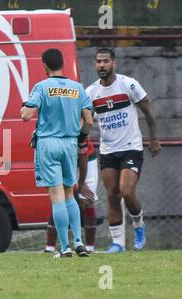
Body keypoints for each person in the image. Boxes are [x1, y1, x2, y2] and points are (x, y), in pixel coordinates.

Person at [86, 47, 161, 253]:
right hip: (108, 150)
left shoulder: (128, 84)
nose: (101, 65)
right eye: (98, 61)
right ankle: (117, 243)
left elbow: (148, 108)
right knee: (112, 194)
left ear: (114, 63)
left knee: (127, 192)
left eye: (105, 61)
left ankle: (138, 225)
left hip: (131, 148)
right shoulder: (91, 92)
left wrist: (154, 138)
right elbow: (85, 119)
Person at [21, 48, 93, 258]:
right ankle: (79, 241)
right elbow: (89, 121)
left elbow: (26, 115)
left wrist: (25, 108)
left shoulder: (42, 87)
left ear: (44, 65)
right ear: (62, 63)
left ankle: (64, 247)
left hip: (48, 143)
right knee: (70, 192)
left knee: (56, 195)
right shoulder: (78, 88)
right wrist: (80, 137)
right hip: (70, 144)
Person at [45, 138, 98, 253]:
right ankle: (50, 247)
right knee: (59, 198)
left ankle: (89, 247)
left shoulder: (77, 126)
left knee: (87, 201)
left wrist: (81, 182)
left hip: (85, 158)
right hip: (64, 157)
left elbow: (83, 150)